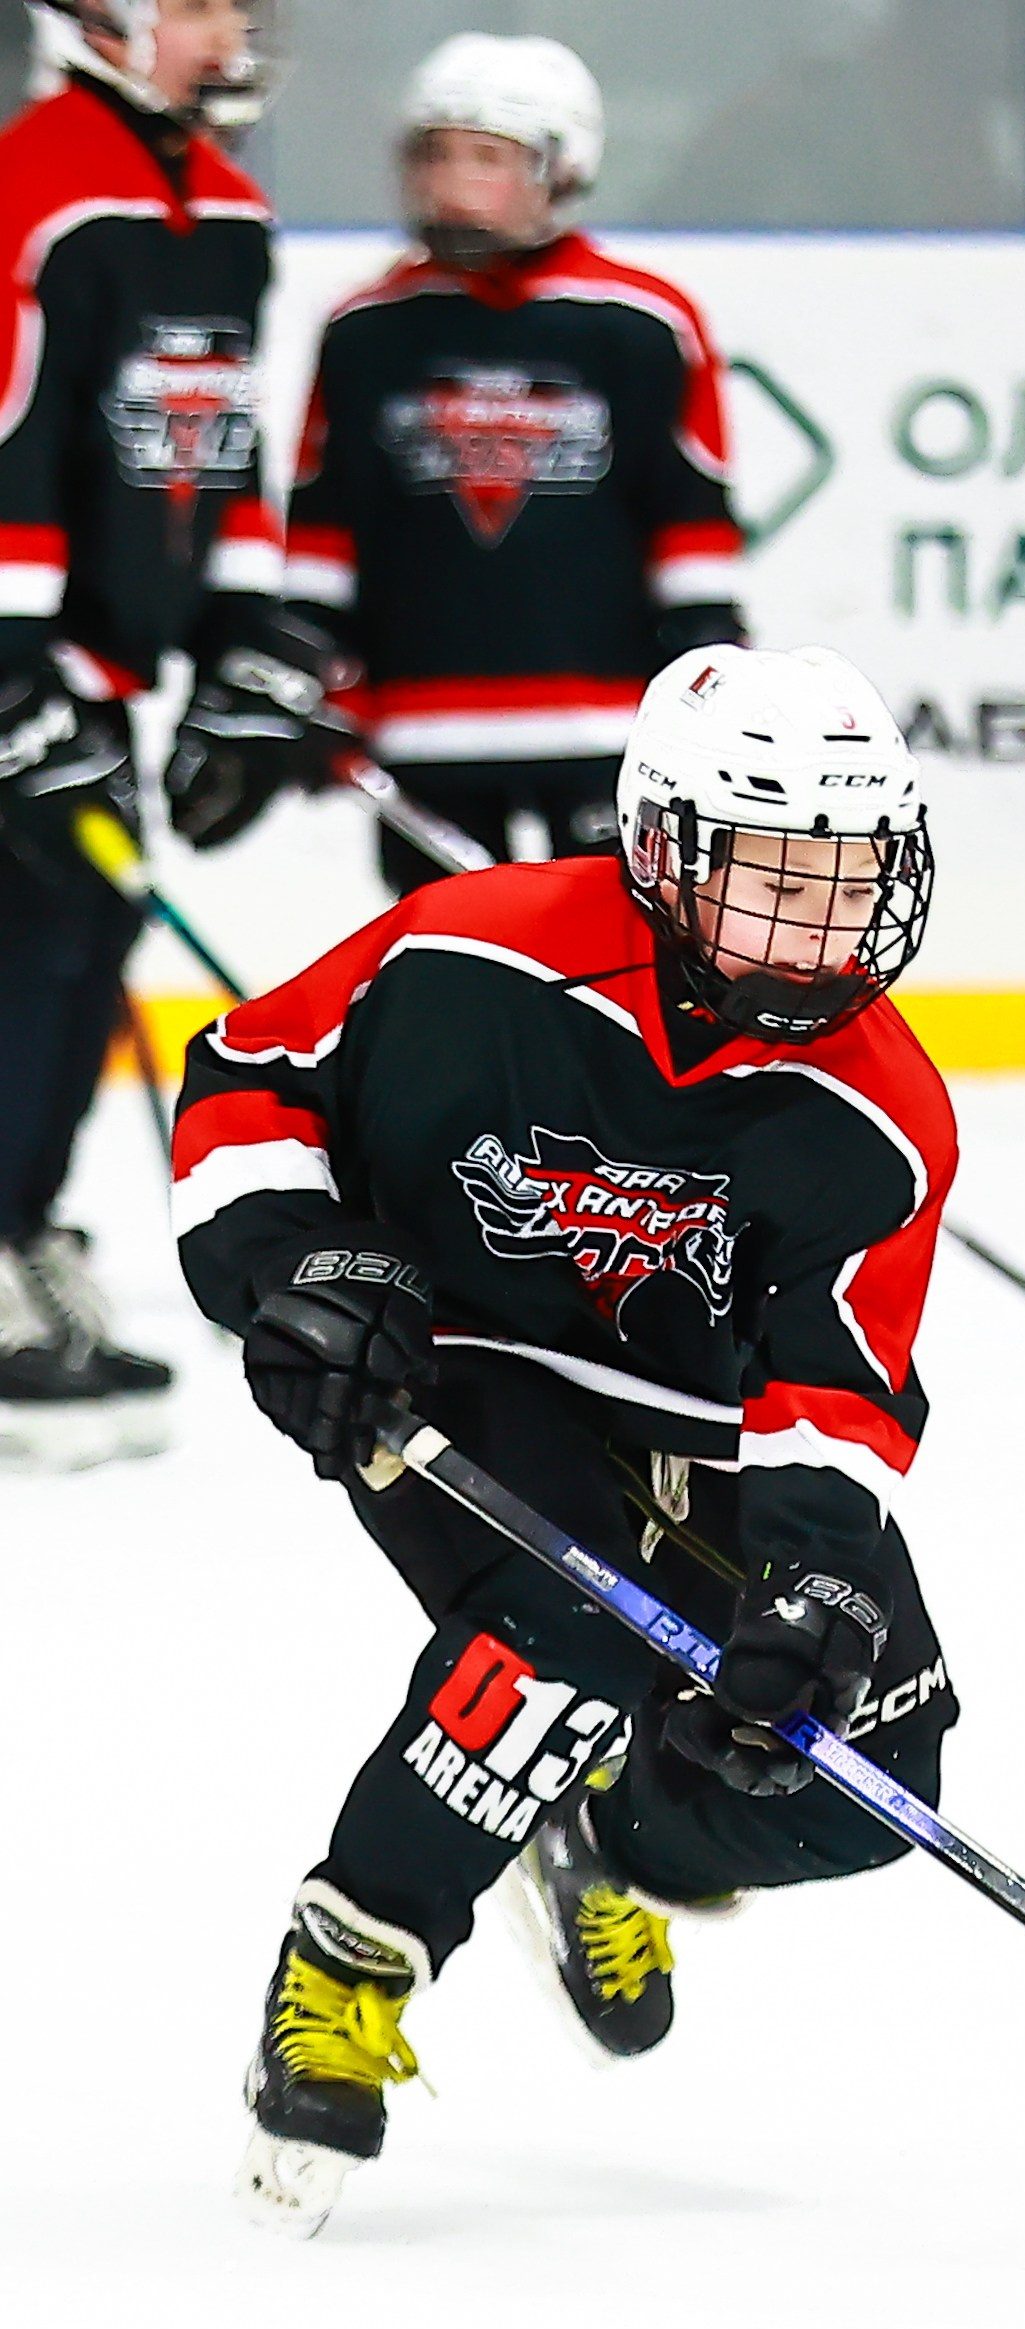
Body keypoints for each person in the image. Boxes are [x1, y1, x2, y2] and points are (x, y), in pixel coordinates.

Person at [172, 644, 959, 2236]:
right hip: (457, 1365)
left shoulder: (885, 1114)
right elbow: (245, 1087)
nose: (818, 926)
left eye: (846, 880)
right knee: (573, 1619)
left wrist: (812, 1580)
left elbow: (839, 1385)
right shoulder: (470, 950)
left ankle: (605, 1828)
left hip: (688, 1422)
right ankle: (355, 1953)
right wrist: (298, 1270)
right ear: (661, 852)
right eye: (773, 879)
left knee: (867, 1770)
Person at [0, 0, 333, 1466]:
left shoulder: (229, 211)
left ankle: (20, 1234)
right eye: (195, 3)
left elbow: (220, 442)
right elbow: (8, 437)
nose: (229, 28)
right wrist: (10, 671)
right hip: (23, 659)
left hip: (85, 674)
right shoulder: (37, 188)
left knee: (80, 949)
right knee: (27, 951)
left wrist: (238, 629)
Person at [283, 32, 746, 900]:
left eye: (485, 158)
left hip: (606, 728)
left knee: (614, 956)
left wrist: (704, 682)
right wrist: (314, 679)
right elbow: (324, 530)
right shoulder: (365, 330)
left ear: (562, 169)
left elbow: (690, 527)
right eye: (434, 155)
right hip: (424, 730)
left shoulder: (640, 324)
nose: (451, 182)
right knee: (451, 959)